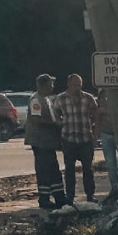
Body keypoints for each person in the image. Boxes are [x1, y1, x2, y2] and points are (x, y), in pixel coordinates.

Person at [26, 74, 68, 210]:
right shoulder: (36, 101)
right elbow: (37, 121)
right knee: (44, 171)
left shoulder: (47, 100)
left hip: (48, 142)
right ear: (42, 85)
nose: (52, 87)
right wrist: (55, 124)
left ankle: (59, 197)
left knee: (54, 169)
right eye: (50, 84)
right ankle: (44, 199)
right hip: (40, 142)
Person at [55, 74, 98, 202]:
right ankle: (70, 196)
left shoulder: (88, 98)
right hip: (69, 139)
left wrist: (95, 134)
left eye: (79, 85)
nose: (77, 88)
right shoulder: (61, 98)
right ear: (68, 84)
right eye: (74, 85)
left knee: (88, 169)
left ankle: (90, 195)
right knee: (69, 169)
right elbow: (56, 113)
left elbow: (96, 114)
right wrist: (60, 124)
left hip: (85, 138)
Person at [97, 89, 118, 198]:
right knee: (111, 164)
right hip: (106, 134)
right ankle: (115, 188)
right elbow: (96, 118)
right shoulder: (100, 97)